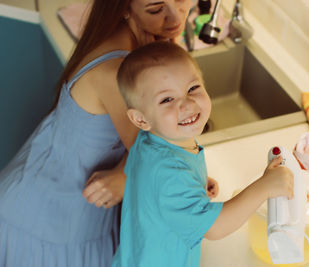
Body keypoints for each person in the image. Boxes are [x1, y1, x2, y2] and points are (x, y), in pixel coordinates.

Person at [0, 1, 203, 267]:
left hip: (65, 210)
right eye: (155, 9)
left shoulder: (142, 46)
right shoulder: (117, 71)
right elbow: (158, 158)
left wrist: (125, 172)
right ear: (124, 8)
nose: (175, 16)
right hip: (48, 222)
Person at [111, 41, 294, 267]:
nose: (187, 104)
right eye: (167, 99)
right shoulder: (171, 173)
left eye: (192, 88)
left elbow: (154, 184)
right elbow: (215, 228)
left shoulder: (154, 138)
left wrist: (195, 183)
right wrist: (264, 187)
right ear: (141, 119)